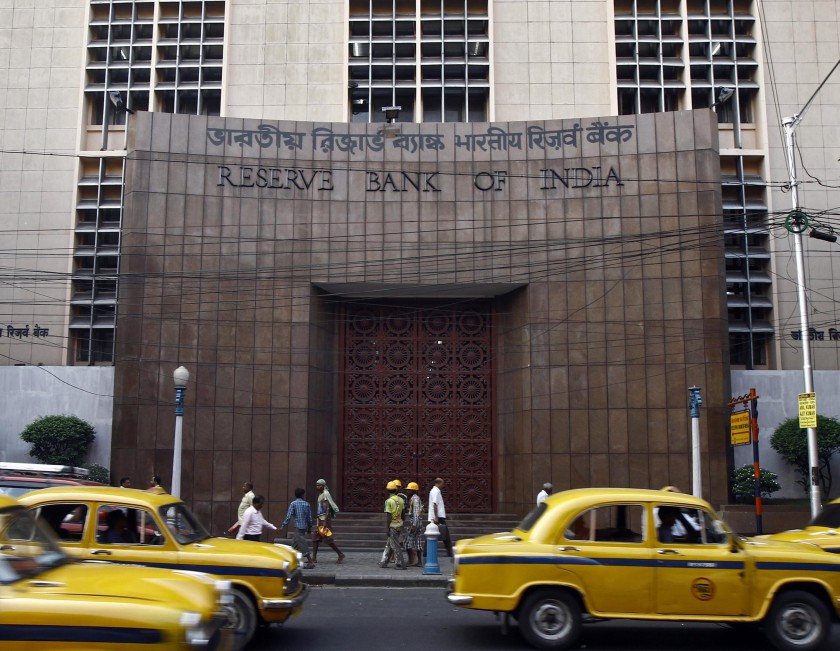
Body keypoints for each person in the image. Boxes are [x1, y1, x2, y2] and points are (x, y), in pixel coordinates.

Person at [281, 487, 316, 569]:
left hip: (297, 527)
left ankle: (310, 562)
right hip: (303, 527)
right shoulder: (306, 504)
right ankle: (293, 562)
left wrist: (283, 525)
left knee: (302, 544)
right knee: (294, 545)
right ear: (302, 495)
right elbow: (309, 518)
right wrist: (310, 527)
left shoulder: (293, 504)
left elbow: (288, 516)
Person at [313, 479, 346, 563]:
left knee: (328, 539)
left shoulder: (325, 494)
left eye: (319, 485)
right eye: (317, 485)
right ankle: (314, 558)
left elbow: (327, 508)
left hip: (324, 520)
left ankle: (340, 554)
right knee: (316, 538)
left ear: (323, 486)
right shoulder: (320, 494)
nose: (318, 487)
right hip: (320, 519)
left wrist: (324, 522)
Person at [380, 481, 406, 569]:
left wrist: (387, 528)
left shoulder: (389, 501)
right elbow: (403, 514)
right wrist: (401, 523)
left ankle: (401, 563)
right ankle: (384, 562)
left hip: (393, 525)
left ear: (387, 490)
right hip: (399, 524)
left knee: (395, 545)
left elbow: (389, 516)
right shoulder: (401, 500)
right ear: (395, 489)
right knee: (389, 544)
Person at [428, 477, 453, 557]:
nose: (443, 485)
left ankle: (426, 552)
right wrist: (436, 516)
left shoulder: (433, 491)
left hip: (437, 516)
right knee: (446, 534)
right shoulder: (436, 491)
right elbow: (435, 504)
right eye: (442, 483)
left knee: (431, 533)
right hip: (438, 516)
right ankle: (449, 551)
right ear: (438, 483)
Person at [403, 481, 424, 567]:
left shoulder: (414, 499)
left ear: (413, 491)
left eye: (409, 490)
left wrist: (414, 525)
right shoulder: (416, 498)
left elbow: (415, 513)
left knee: (407, 542)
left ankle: (410, 560)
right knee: (418, 542)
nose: (407, 491)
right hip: (418, 523)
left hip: (415, 524)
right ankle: (419, 561)